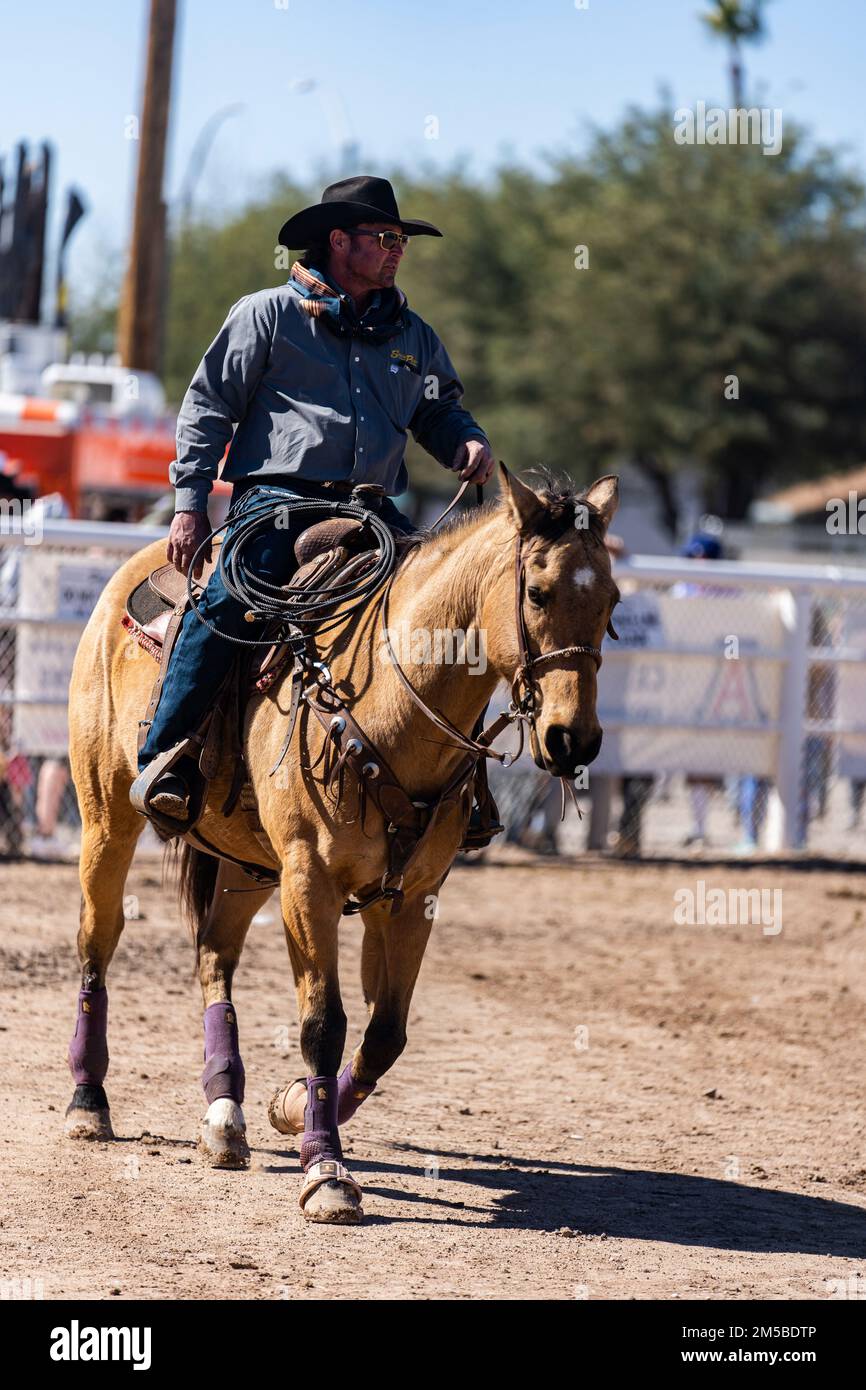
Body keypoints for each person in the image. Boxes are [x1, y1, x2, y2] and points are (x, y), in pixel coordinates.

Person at [131, 176, 494, 821]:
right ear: (337, 242)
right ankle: (168, 758)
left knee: (448, 606)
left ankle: (464, 786)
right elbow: (208, 408)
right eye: (383, 238)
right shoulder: (266, 315)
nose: (395, 250)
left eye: (399, 240)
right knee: (229, 603)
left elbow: (440, 412)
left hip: (374, 510)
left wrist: (465, 442)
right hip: (276, 501)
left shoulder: (412, 336)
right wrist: (189, 504)